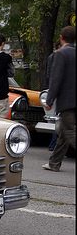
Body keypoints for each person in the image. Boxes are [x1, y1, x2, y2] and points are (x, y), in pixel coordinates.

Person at [42, 26, 75, 172]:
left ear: (61, 38)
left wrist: (49, 100)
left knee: (69, 131)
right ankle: (54, 162)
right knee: (63, 132)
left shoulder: (61, 54)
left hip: (68, 101)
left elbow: (56, 79)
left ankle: (54, 163)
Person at [44, 39, 62, 151]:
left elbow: (47, 75)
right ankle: (53, 143)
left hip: (52, 90)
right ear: (59, 46)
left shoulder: (52, 57)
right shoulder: (56, 57)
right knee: (58, 118)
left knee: (56, 118)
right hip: (55, 91)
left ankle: (53, 144)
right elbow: (51, 75)